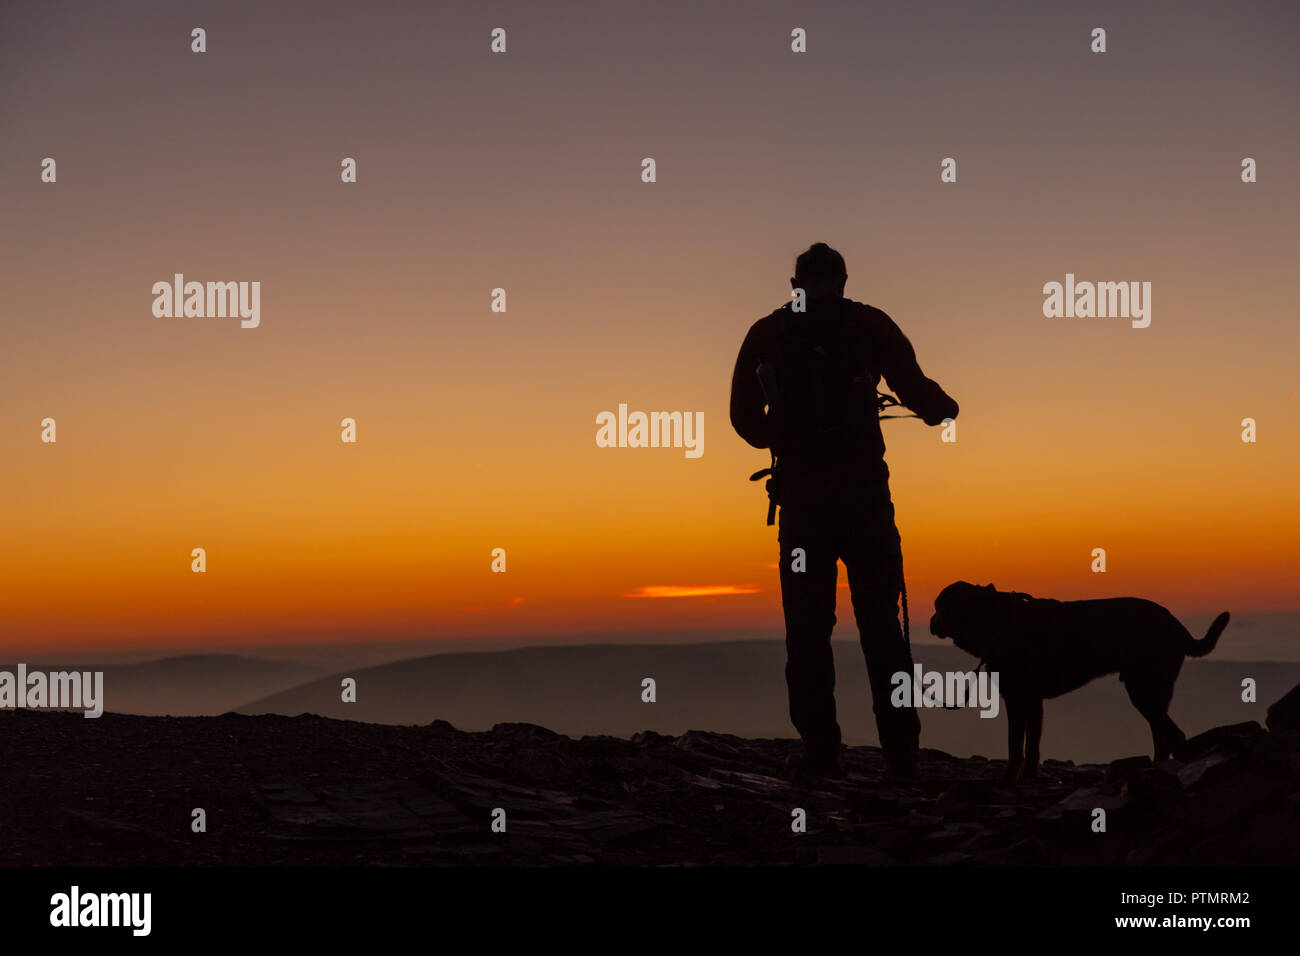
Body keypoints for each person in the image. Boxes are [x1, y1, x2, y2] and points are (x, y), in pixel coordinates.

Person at [729, 243, 959, 778]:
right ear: (844, 281)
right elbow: (920, 393)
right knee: (881, 624)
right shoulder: (870, 324)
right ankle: (901, 752)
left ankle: (819, 751)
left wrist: (783, 438)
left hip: (803, 506)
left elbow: (744, 420)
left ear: (796, 282)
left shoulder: (768, 331)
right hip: (865, 503)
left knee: (807, 629)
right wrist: (942, 409)